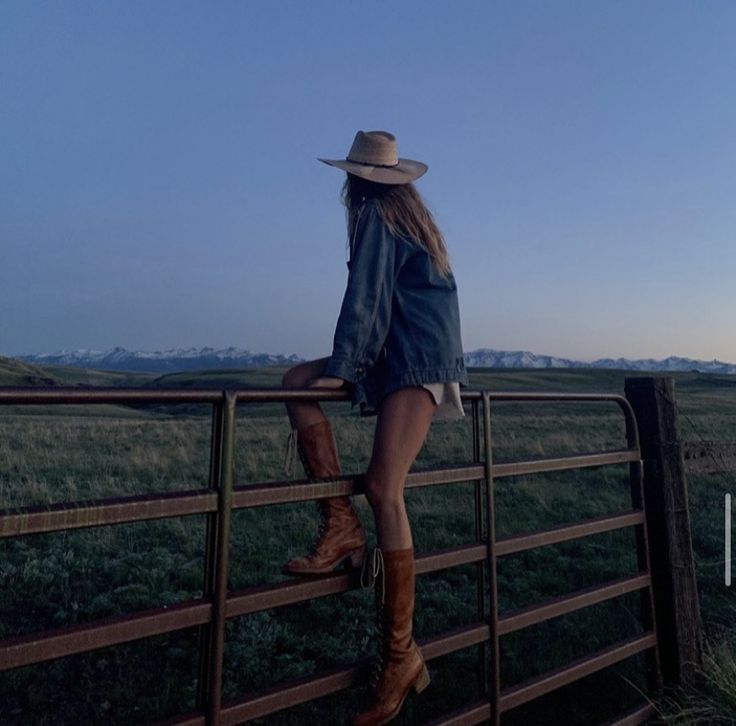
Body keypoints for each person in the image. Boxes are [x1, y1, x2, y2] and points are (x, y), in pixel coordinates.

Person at [281, 130, 468, 725]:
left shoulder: (379, 219)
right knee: (293, 383)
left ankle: (400, 655)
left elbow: (366, 300)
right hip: (402, 356)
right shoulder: (403, 216)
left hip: (414, 362)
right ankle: (339, 524)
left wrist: (343, 371)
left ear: (354, 179)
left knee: (386, 490)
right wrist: (347, 368)